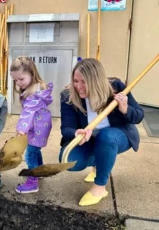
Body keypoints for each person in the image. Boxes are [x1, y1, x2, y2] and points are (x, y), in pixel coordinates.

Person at [59, 58, 144, 206]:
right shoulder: (68, 95)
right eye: (76, 81)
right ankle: (100, 161)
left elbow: (139, 115)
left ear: (96, 80)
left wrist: (125, 109)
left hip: (117, 136)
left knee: (107, 137)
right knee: (68, 161)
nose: (79, 86)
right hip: (91, 139)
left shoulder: (116, 87)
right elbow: (66, 128)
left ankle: (99, 186)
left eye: (84, 82)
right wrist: (76, 133)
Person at [10, 56, 53, 194]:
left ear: (32, 74)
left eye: (21, 79)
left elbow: (28, 113)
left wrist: (21, 129)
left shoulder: (33, 94)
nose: (18, 82)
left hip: (37, 127)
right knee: (35, 151)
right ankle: (40, 171)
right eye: (15, 80)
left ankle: (32, 182)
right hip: (40, 125)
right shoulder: (38, 89)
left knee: (30, 155)